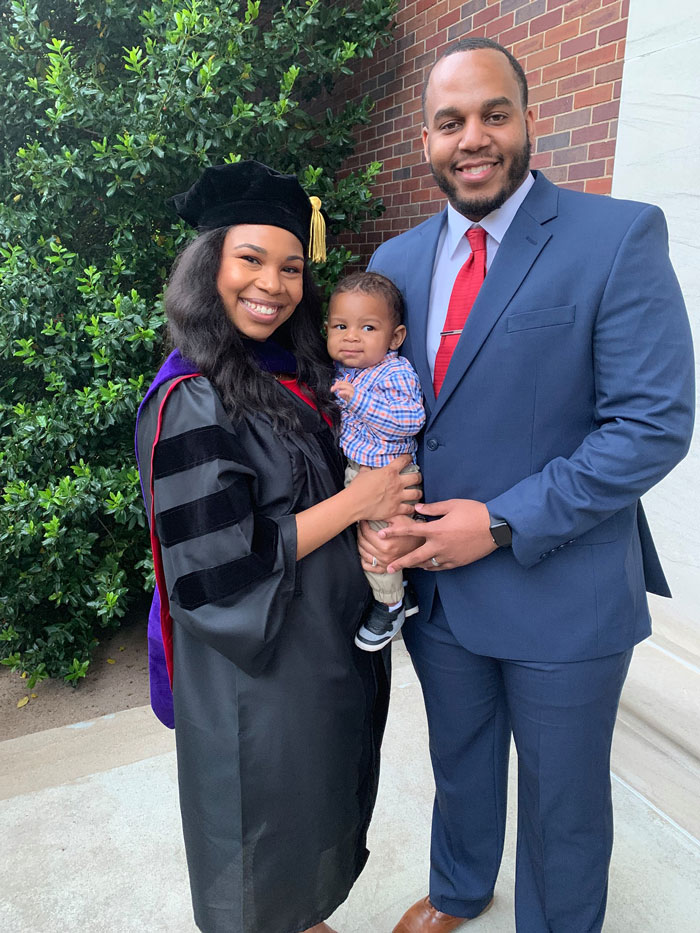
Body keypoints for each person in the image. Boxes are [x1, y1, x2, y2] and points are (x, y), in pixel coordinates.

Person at [360, 38, 695, 933]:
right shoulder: (397, 263)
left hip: (564, 589)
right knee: (460, 761)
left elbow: (652, 423)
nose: (473, 138)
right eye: (450, 122)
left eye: (493, 114)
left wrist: (502, 521)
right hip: (440, 592)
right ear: (426, 141)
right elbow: (392, 415)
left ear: (528, 121)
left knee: (563, 803)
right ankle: (460, 887)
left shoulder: (616, 236)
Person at [134, 160, 421, 933]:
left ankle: (303, 918)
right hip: (257, 668)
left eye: (291, 267)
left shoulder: (292, 374)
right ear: (209, 268)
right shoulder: (192, 396)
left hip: (316, 646)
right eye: (251, 260)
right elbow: (218, 565)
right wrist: (358, 501)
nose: (273, 283)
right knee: (258, 818)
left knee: (310, 805)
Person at [327, 271, 426, 651]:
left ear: (395, 338)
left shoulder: (393, 372)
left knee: (376, 544)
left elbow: (409, 420)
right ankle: (402, 591)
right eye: (340, 326)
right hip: (361, 472)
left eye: (367, 327)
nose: (351, 337)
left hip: (388, 475)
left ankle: (390, 605)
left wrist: (358, 401)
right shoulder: (345, 372)